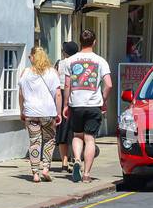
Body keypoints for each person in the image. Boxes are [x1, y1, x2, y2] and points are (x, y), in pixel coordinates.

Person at [62, 31, 113, 182]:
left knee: (77, 135)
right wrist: (103, 101)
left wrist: (66, 105)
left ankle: (77, 159)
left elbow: (67, 85)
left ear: (80, 42)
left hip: (76, 104)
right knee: (90, 139)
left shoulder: (69, 61)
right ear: (94, 42)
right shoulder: (100, 61)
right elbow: (109, 84)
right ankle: (86, 175)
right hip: (93, 105)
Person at [19, 46, 62, 182]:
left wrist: (22, 110)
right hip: (48, 112)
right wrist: (59, 113)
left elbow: (21, 94)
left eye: (29, 57)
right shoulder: (52, 72)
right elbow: (58, 94)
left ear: (33, 57)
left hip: (31, 112)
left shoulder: (25, 73)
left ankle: (35, 174)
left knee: (34, 142)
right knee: (49, 140)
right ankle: (45, 168)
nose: (29, 59)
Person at [54, 40, 79, 174]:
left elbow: (55, 82)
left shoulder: (59, 63)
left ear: (65, 52)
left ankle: (64, 162)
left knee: (62, 131)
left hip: (62, 94)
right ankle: (76, 159)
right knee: (75, 132)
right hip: (76, 96)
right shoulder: (78, 63)